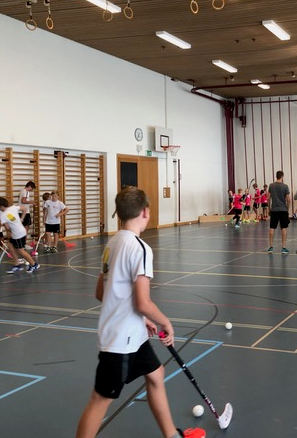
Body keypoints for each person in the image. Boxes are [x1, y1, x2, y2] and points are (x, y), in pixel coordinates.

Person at [76, 187, 203, 438]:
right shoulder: (140, 248)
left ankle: (171, 435)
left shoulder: (112, 244)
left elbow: (102, 293)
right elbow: (143, 302)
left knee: (156, 374)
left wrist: (141, 319)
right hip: (121, 341)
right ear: (145, 212)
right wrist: (165, 322)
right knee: (100, 400)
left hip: (132, 334)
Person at [0, 197, 39, 274]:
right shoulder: (13, 207)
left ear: (1, 206)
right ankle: (16, 265)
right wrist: (21, 218)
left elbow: (7, 228)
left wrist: (7, 231)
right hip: (20, 231)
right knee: (10, 245)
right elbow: (25, 208)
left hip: (17, 234)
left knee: (21, 251)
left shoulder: (3, 215)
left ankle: (34, 264)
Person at [267, 171, 291, 254]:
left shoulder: (271, 185)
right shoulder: (285, 186)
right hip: (283, 210)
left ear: (276, 176)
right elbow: (288, 199)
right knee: (283, 228)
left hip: (274, 209)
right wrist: (287, 209)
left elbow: (268, 198)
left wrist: (269, 209)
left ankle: (271, 247)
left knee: (272, 227)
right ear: (282, 176)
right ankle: (283, 248)